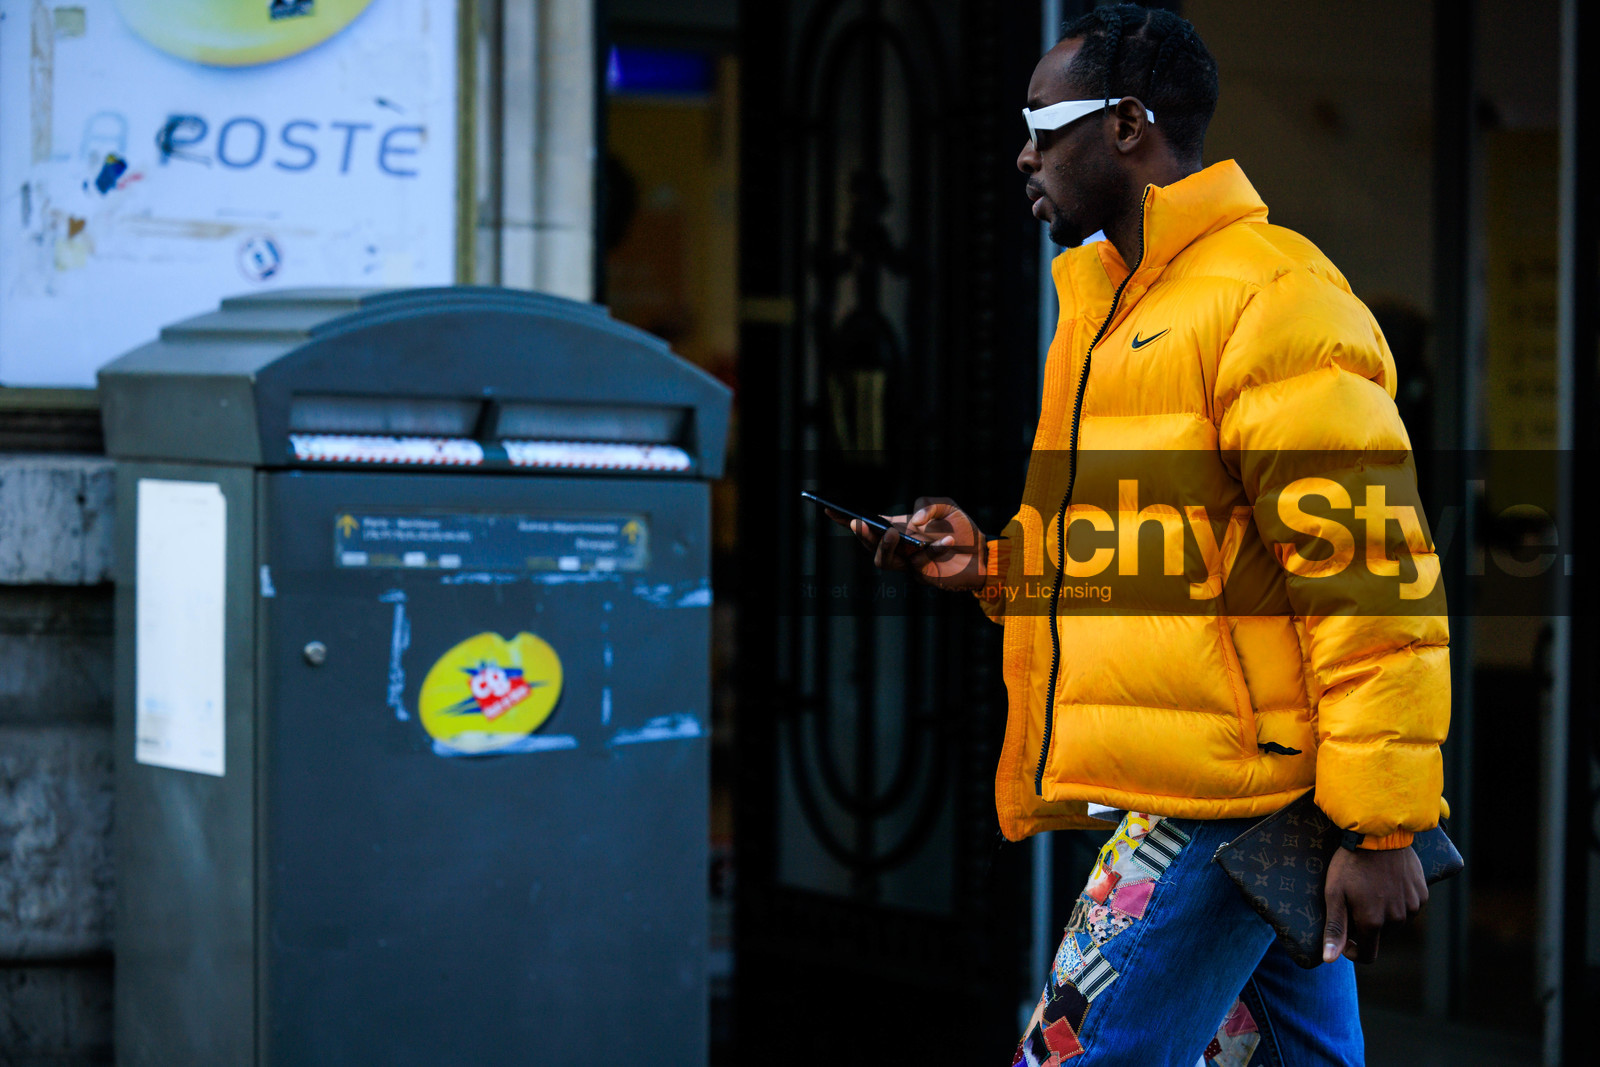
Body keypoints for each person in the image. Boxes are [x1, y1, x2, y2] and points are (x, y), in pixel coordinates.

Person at [830, 6, 1448, 1065]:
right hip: (1211, 787)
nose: (1024, 154)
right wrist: (995, 563)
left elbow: (1370, 575)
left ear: (1125, 124)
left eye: (1043, 123)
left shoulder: (1275, 296)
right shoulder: (1104, 305)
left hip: (1230, 799)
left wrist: (1381, 827)